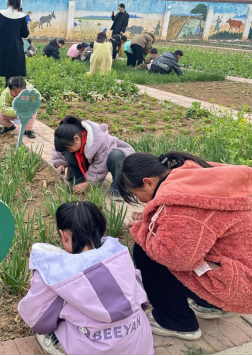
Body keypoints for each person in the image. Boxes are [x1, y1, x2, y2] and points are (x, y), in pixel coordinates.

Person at [118, 152, 252, 341]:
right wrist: (153, 219)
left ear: (148, 182)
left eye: (135, 194)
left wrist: (142, 228)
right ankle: (211, 306)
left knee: (147, 252)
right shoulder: (190, 175)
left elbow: (176, 258)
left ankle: (177, 322)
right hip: (242, 268)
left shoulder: (180, 205)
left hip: (242, 285)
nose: (139, 200)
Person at [18, 201, 154, 356]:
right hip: (139, 345)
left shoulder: (58, 272)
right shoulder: (119, 254)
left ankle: (59, 345)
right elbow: (142, 300)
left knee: (51, 323)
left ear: (64, 235)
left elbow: (36, 319)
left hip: (95, 349)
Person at [51, 116, 135, 198]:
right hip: (94, 159)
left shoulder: (100, 141)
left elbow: (100, 166)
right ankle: (79, 181)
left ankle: (119, 189)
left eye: (69, 148)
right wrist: (60, 163)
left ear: (76, 138)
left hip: (114, 159)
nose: (68, 150)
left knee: (116, 156)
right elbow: (60, 150)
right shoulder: (69, 138)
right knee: (70, 153)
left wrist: (88, 183)